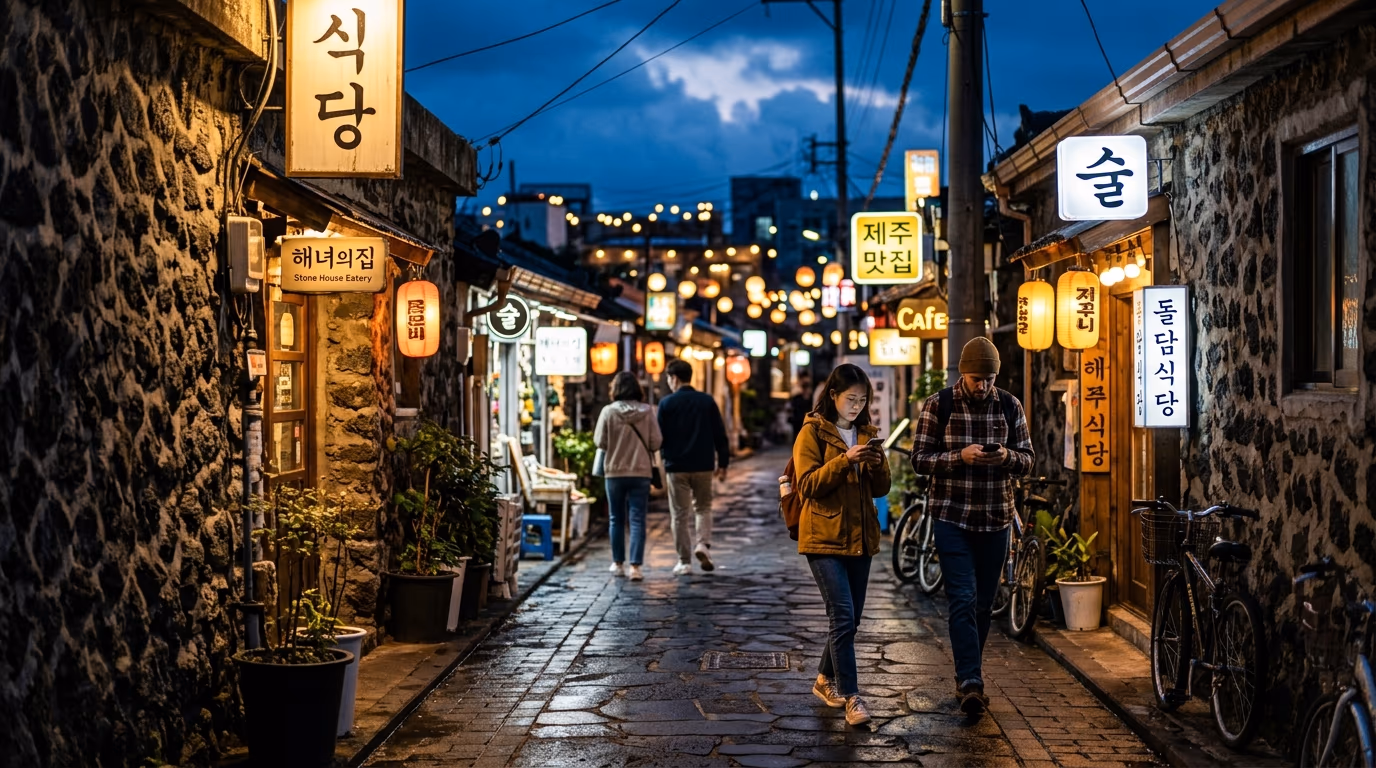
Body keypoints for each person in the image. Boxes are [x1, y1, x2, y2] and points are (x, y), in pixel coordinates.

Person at [910, 337, 1034, 715]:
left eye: (989, 378)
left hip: (996, 517)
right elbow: (919, 458)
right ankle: (970, 680)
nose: (983, 386)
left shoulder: (1010, 405)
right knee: (962, 597)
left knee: (982, 603)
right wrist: (958, 457)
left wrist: (1005, 457)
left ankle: (969, 673)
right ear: (962, 373)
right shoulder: (939, 404)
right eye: (977, 378)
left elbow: (1028, 459)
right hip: (952, 516)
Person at [793, 363, 891, 727]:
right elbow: (807, 485)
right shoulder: (813, 433)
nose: (856, 406)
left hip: (861, 539)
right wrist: (844, 460)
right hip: (823, 537)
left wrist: (876, 461)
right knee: (843, 615)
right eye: (851, 399)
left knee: (850, 620)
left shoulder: (867, 433)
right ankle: (852, 696)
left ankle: (823, 679)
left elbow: (881, 489)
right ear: (832, 396)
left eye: (862, 399)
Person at [657, 360, 730, 575]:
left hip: (676, 466)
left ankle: (684, 561)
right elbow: (720, 434)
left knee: (679, 514)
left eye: (669, 378)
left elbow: (660, 437)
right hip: (703, 465)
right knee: (703, 507)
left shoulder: (667, 404)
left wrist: (663, 458)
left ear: (675, 378)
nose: (669, 382)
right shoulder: (706, 401)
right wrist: (723, 463)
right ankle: (703, 545)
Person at [594, 371, 663, 582]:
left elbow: (600, 442)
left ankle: (618, 564)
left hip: (614, 472)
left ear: (615, 389)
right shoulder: (647, 411)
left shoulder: (608, 412)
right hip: (641, 472)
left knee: (616, 518)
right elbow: (656, 442)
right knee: (637, 519)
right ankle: (636, 567)